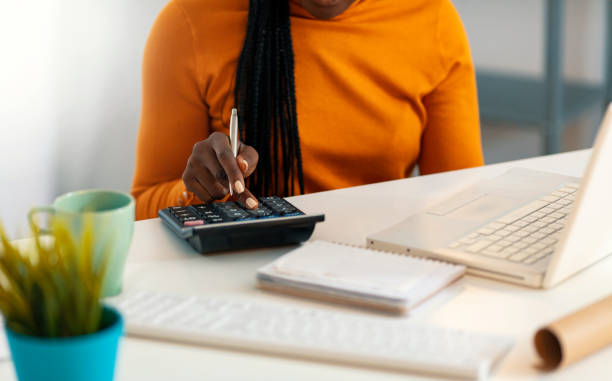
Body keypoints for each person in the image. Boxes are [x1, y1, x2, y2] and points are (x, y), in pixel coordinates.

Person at [131, 0, 483, 220]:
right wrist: (198, 190)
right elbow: (141, 209)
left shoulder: (432, 19)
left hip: (380, 267)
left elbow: (462, 203)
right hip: (240, 269)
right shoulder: (190, 21)